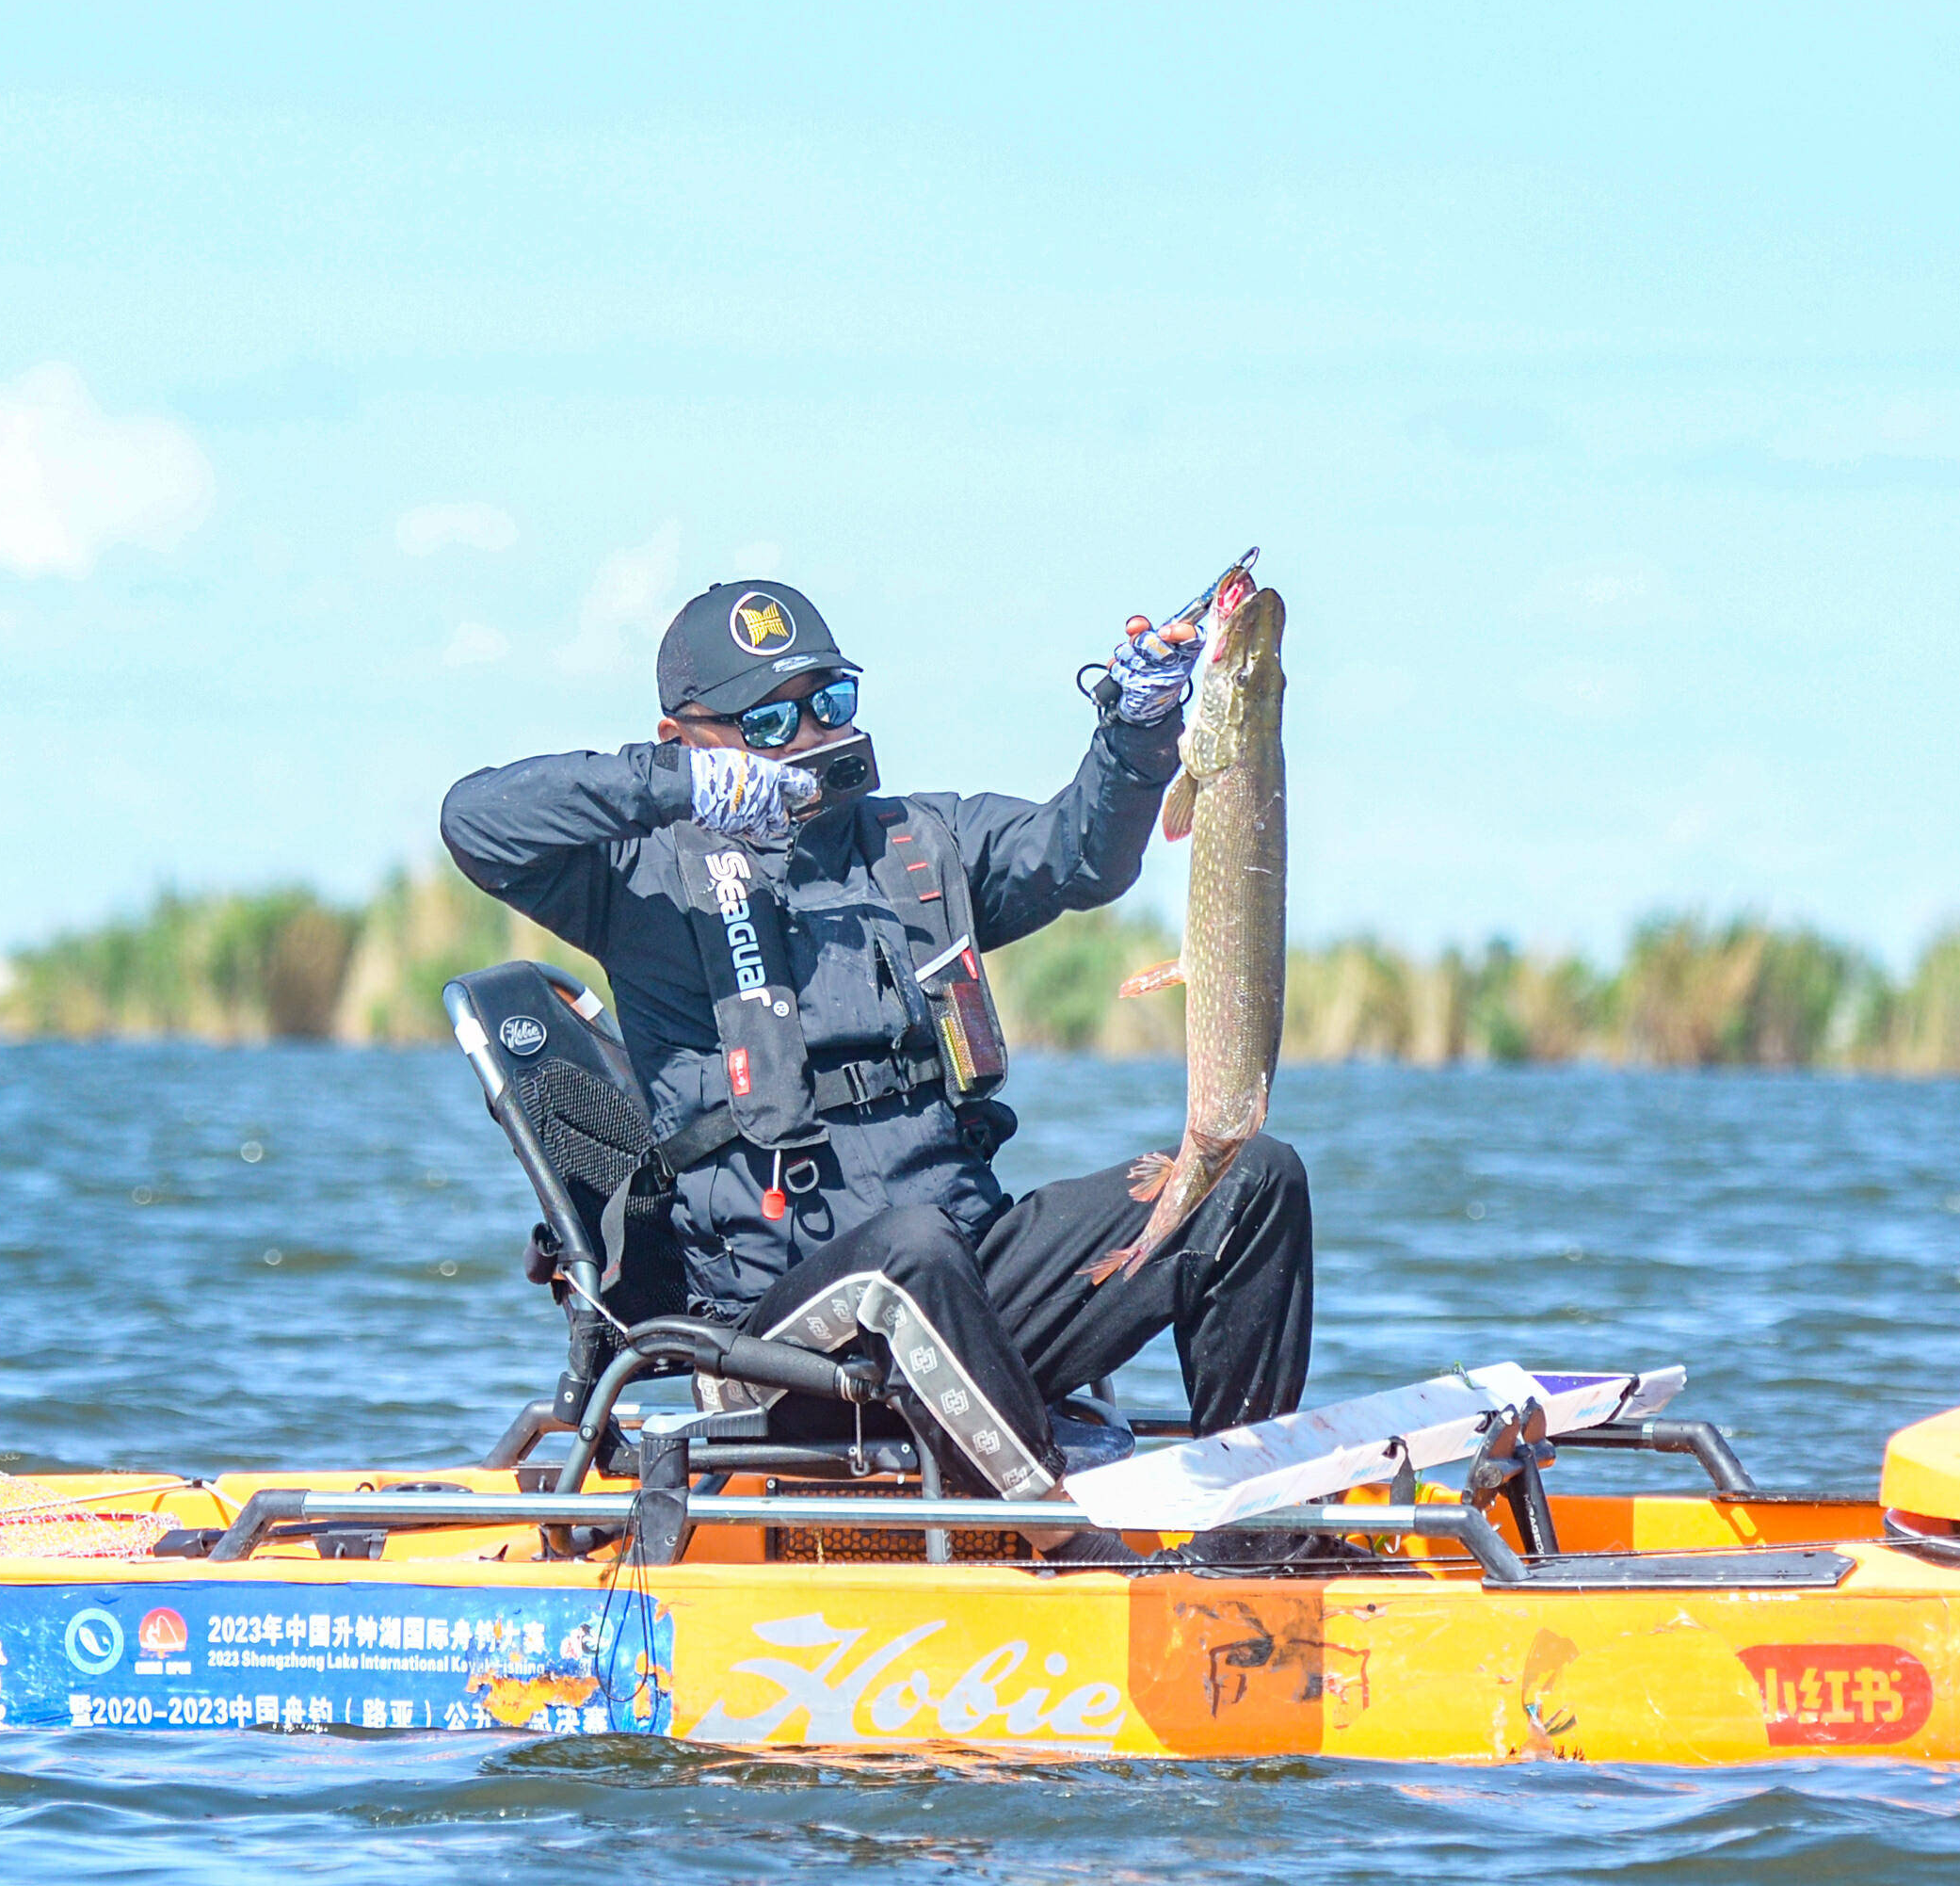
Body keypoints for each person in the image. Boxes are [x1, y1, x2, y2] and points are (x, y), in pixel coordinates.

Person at [440, 577, 1314, 1511]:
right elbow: (475, 821)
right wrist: (673, 789)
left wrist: (1138, 729)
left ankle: (1248, 1535)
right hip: (787, 1336)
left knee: (1251, 1178)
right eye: (769, 722)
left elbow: (1081, 856)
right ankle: (1061, 1540)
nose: (812, 732)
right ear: (684, 735)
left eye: (828, 702)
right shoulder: (636, 876)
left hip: (968, 1278)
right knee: (908, 1248)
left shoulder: (920, 841)